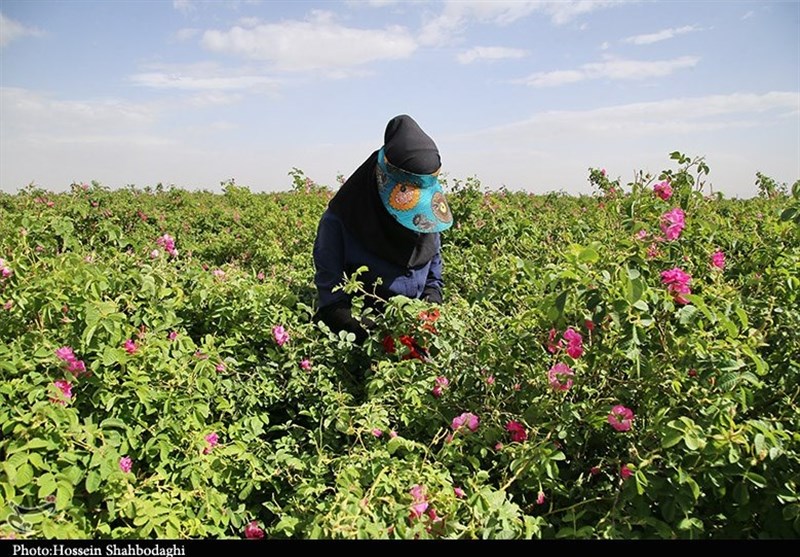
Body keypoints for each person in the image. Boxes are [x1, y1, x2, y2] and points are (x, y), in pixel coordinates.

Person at [312, 114, 453, 344]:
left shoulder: (426, 219)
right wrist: (380, 341)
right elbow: (332, 303)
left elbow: (433, 279)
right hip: (363, 341)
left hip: (417, 334)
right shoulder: (339, 222)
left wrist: (428, 315)